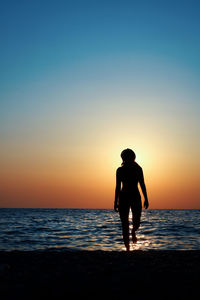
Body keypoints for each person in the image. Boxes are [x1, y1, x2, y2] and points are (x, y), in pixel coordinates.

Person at [114, 148, 149, 251]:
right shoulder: (120, 170)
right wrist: (115, 201)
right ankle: (128, 248)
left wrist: (146, 198)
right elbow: (117, 187)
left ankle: (133, 231)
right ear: (123, 158)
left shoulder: (138, 169)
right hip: (123, 197)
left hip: (135, 196)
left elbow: (142, 184)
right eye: (125, 157)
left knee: (137, 221)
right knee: (124, 224)